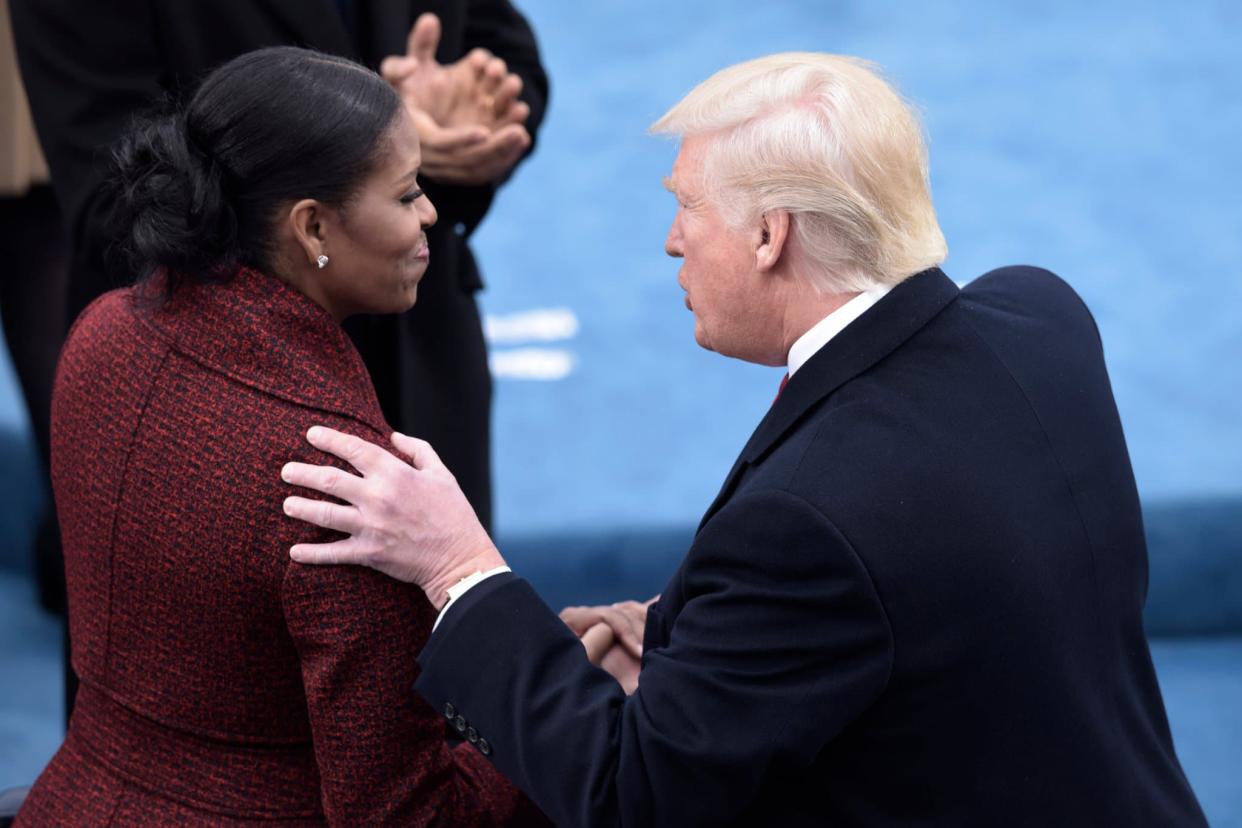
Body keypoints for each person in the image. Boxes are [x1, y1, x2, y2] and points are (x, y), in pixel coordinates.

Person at [279, 53, 1208, 826]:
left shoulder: (809, 523)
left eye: (687, 206)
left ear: (770, 235)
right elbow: (937, 592)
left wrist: (459, 567)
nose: (673, 241)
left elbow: (628, 792)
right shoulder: (1041, 319)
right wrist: (703, 644)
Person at [16, 47, 546, 826]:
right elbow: (408, 813)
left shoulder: (101, 335)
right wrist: (555, 730)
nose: (432, 213)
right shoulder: (342, 483)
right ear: (312, 227)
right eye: (406, 195)